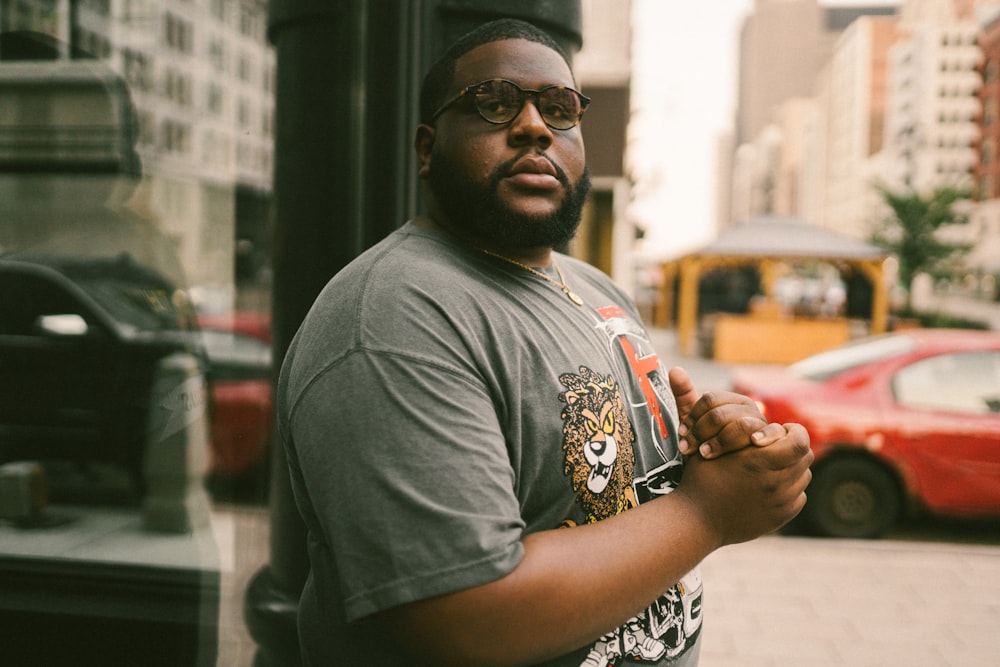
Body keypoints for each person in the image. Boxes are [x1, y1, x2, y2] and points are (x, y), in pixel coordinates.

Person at [278, 18, 813, 667]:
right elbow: (465, 616)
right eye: (494, 103)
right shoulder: (395, 314)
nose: (535, 126)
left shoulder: (595, 288)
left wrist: (712, 443)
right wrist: (711, 511)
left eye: (560, 109)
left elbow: (624, 490)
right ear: (427, 147)